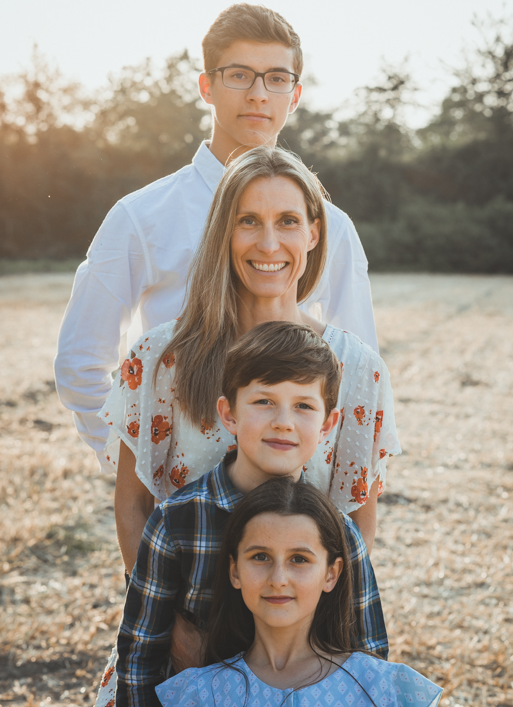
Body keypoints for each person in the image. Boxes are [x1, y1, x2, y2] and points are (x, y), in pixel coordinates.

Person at [54, 3, 378, 474]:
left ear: (295, 94)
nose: (259, 95)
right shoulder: (140, 217)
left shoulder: (330, 226)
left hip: (291, 505)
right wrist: (140, 467)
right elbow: (81, 363)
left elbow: (355, 375)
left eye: (276, 78)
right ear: (207, 86)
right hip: (177, 497)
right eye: (240, 75)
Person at [101, 147, 401, 577]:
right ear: (224, 231)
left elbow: (356, 525)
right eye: (248, 221)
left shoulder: (358, 369)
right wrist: (173, 631)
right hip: (179, 620)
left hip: (299, 631)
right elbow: (134, 506)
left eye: (288, 221)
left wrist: (311, 638)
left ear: (314, 234)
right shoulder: (160, 358)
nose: (268, 243)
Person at [100, 321, 389, 707]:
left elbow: (369, 661)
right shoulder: (176, 522)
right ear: (229, 414)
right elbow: (140, 658)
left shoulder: (339, 535)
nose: (283, 420)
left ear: (327, 425)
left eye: (303, 405)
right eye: (263, 401)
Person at [156, 477, 443, 707]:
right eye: (260, 557)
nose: (278, 579)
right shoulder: (199, 694)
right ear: (234, 571)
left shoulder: (384, 689)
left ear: (331, 574)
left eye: (299, 559)